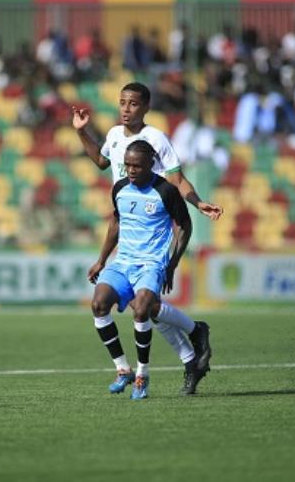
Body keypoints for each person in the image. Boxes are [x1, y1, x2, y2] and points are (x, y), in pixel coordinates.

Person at [72, 82, 222, 394]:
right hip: (126, 217)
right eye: (122, 103)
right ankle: (192, 353)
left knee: (148, 309)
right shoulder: (113, 135)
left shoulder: (156, 139)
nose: (126, 109)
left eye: (133, 104)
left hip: (153, 218)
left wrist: (197, 202)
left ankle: (185, 351)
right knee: (151, 312)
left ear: (146, 107)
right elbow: (101, 163)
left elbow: (176, 178)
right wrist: (82, 132)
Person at [88, 140, 192, 400]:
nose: (131, 170)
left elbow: (184, 226)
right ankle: (122, 369)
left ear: (151, 165)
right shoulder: (120, 188)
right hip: (123, 261)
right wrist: (101, 260)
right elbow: (115, 225)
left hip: (151, 263)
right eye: (127, 165)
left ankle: (142, 375)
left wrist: (172, 263)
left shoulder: (166, 190)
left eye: (137, 166)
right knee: (99, 304)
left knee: (142, 308)